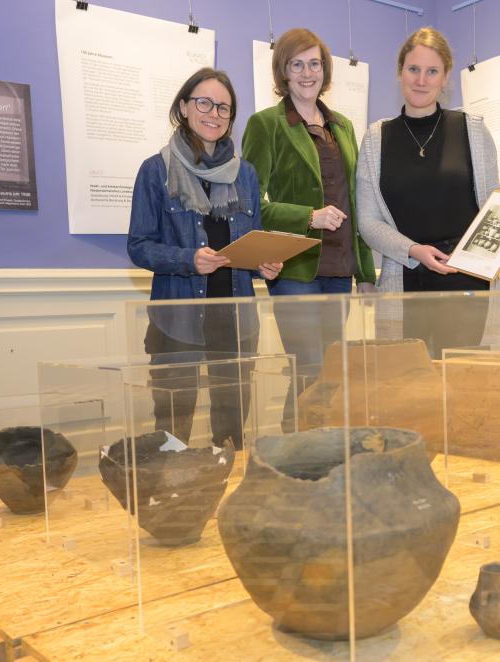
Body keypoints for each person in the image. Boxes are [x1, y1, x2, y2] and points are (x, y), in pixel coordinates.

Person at [356, 27, 500, 354]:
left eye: (432, 72)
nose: (421, 80)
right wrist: (415, 250)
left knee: (468, 388)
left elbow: (492, 204)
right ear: (400, 72)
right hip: (406, 278)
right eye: (413, 69)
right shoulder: (376, 139)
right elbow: (368, 222)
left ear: (445, 79)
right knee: (409, 390)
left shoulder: (471, 128)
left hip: (468, 281)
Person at [127, 67, 282, 449]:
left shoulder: (245, 174)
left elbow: (253, 239)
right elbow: (139, 246)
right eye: (204, 103)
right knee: (172, 432)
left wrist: (265, 266)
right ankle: (172, 503)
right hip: (177, 321)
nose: (213, 113)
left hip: (236, 322)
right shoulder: (155, 170)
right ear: (183, 106)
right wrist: (188, 259)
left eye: (224, 108)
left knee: (230, 436)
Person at [242, 27, 376, 430]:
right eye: (296, 64)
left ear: (325, 69)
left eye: (314, 63)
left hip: (339, 267)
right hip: (295, 269)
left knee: (327, 374)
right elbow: (250, 205)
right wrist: (308, 216)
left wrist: (365, 273)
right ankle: (292, 453)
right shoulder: (266, 124)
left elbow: (356, 201)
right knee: (308, 368)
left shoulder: (343, 127)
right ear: (282, 72)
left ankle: (313, 453)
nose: (306, 73)